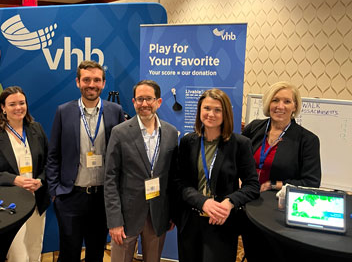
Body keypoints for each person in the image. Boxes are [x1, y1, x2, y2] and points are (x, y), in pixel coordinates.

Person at [46, 60, 125, 262]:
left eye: (97, 80)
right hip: (71, 196)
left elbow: (121, 156)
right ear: (77, 82)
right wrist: (55, 191)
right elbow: (53, 154)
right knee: (69, 253)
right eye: (87, 80)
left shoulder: (115, 111)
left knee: (96, 252)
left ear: (104, 83)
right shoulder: (64, 111)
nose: (92, 84)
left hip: (101, 198)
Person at [173, 88, 259, 262]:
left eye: (217, 110)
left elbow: (252, 185)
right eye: (206, 108)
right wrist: (202, 201)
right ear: (199, 111)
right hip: (191, 222)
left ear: (225, 113)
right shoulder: (187, 142)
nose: (211, 114)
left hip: (222, 222)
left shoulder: (240, 144)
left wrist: (229, 203)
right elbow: (178, 182)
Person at [241, 81, 321, 262]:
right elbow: (236, 160)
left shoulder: (307, 140)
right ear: (268, 103)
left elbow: (311, 182)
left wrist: (273, 185)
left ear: (295, 107)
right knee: (252, 252)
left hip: (279, 211)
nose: (280, 106)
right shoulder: (254, 128)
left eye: (287, 101)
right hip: (248, 206)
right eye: (275, 100)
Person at [0, 86, 49, 262]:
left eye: (22, 103)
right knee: (18, 255)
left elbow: (49, 163)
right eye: (12, 104)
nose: (18, 108)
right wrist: (14, 180)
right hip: (10, 205)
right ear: (2, 108)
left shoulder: (36, 129)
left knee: (35, 247)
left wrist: (41, 180)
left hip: (37, 200)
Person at [104, 80, 178, 262]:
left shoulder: (171, 133)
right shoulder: (119, 132)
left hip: (158, 214)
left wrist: (171, 214)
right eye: (140, 99)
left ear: (158, 102)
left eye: (149, 99)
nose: (144, 104)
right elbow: (110, 179)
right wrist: (114, 221)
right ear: (134, 102)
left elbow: (173, 178)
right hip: (126, 216)